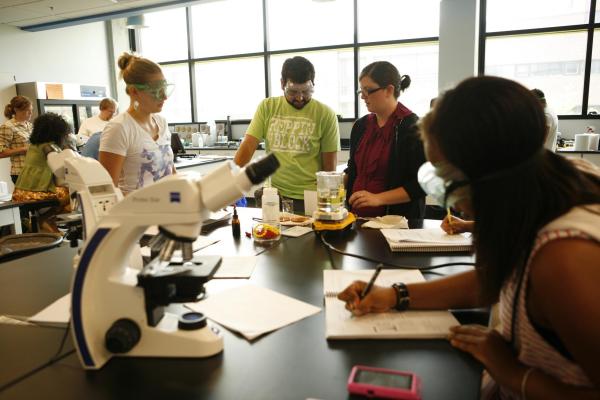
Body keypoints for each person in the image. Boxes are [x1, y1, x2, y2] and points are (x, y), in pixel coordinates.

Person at [338, 76, 600, 399]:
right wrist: (394, 295)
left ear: (489, 173)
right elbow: (492, 280)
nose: (449, 195)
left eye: (449, 177)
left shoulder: (565, 258)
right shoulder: (551, 182)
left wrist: (514, 374)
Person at [233, 56, 340, 211]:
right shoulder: (267, 107)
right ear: (282, 84)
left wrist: (327, 206)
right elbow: (248, 146)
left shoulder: (325, 114)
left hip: (309, 198)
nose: (300, 98)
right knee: (271, 234)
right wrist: (231, 185)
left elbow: (329, 169)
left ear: (313, 85)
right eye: (293, 92)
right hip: (274, 196)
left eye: (306, 91)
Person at [344, 61, 426, 218]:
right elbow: (353, 169)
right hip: (358, 218)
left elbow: (421, 184)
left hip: (397, 224)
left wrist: (378, 198)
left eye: (368, 91)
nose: (363, 97)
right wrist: (333, 182)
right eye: (361, 91)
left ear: (389, 90)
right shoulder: (361, 126)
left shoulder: (412, 128)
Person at [99, 53, 176, 195]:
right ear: (134, 91)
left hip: (167, 213)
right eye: (156, 91)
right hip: (134, 215)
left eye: (164, 88)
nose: (164, 96)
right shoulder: (119, 128)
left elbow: (170, 173)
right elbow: (107, 192)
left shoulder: (161, 123)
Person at [11, 113, 73, 233]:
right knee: (75, 194)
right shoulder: (49, 147)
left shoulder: (33, 146)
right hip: (36, 193)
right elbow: (60, 166)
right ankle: (46, 219)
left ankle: (47, 221)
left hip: (20, 192)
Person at [0, 95, 33, 183]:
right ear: (16, 110)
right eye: (27, 110)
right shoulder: (8, 126)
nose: (30, 113)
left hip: (34, 171)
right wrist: (23, 149)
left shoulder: (30, 126)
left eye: (31, 110)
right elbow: (1, 153)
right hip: (20, 173)